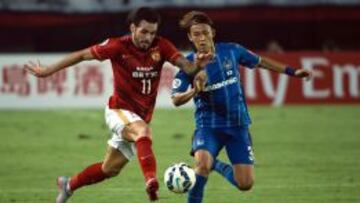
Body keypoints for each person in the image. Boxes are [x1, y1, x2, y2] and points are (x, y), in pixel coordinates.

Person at [25, 7, 207, 203]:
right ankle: (151, 181)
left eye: (153, 32)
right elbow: (81, 55)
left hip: (139, 117)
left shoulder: (161, 46)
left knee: (109, 169)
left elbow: (186, 66)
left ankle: (68, 185)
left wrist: (199, 66)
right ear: (133, 28)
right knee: (143, 132)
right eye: (144, 31)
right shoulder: (117, 46)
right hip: (118, 110)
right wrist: (48, 71)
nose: (148, 37)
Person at [171, 11, 312, 203]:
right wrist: (194, 91)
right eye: (196, 34)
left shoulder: (231, 51)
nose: (201, 38)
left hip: (238, 125)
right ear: (190, 37)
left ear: (212, 32)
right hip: (208, 127)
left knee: (245, 184)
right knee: (201, 165)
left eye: (205, 32)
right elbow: (176, 99)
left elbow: (261, 62)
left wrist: (293, 71)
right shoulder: (187, 65)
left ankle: (216, 165)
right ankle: (206, 166)